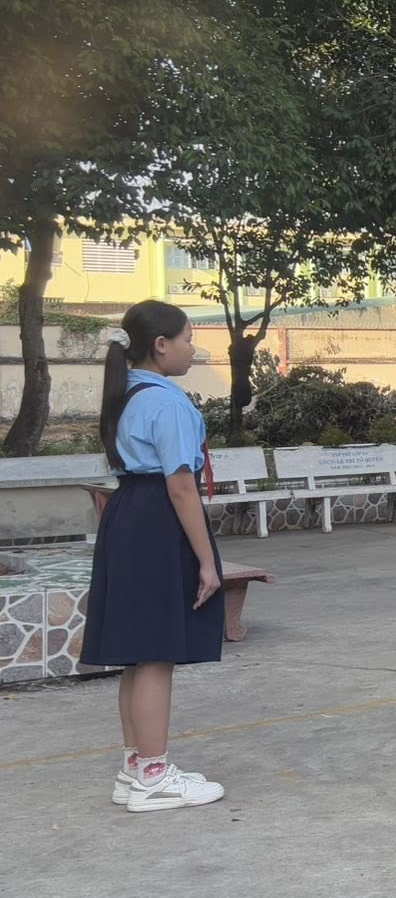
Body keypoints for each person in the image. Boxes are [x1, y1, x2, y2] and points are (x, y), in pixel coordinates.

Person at [86, 301, 229, 812]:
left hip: (128, 513)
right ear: (161, 345)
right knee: (156, 652)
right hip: (157, 520)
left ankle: (135, 767)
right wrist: (207, 562)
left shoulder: (127, 393)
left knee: (138, 651)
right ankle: (153, 774)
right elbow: (181, 486)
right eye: (189, 339)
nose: (194, 348)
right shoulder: (166, 402)